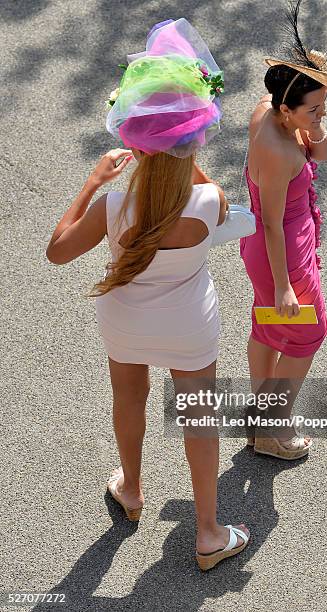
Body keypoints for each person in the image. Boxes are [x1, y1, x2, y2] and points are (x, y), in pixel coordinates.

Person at [46, 18, 249, 571]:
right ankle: (208, 533)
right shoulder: (210, 202)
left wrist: (92, 182)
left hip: (126, 323)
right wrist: (182, 147)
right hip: (190, 326)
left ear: (133, 141)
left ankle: (131, 490)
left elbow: (57, 251)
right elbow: (204, 188)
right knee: (199, 418)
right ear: (194, 139)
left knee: (128, 398)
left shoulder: (113, 208)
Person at [240, 0, 327, 459]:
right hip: (282, 252)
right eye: (315, 110)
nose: (321, 116)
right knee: (309, 334)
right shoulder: (280, 154)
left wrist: (314, 130)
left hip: (273, 247)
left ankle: (260, 414)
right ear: (287, 108)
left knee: (268, 327)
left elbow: (319, 154)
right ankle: (272, 427)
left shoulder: (269, 108)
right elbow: (269, 222)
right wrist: (286, 285)